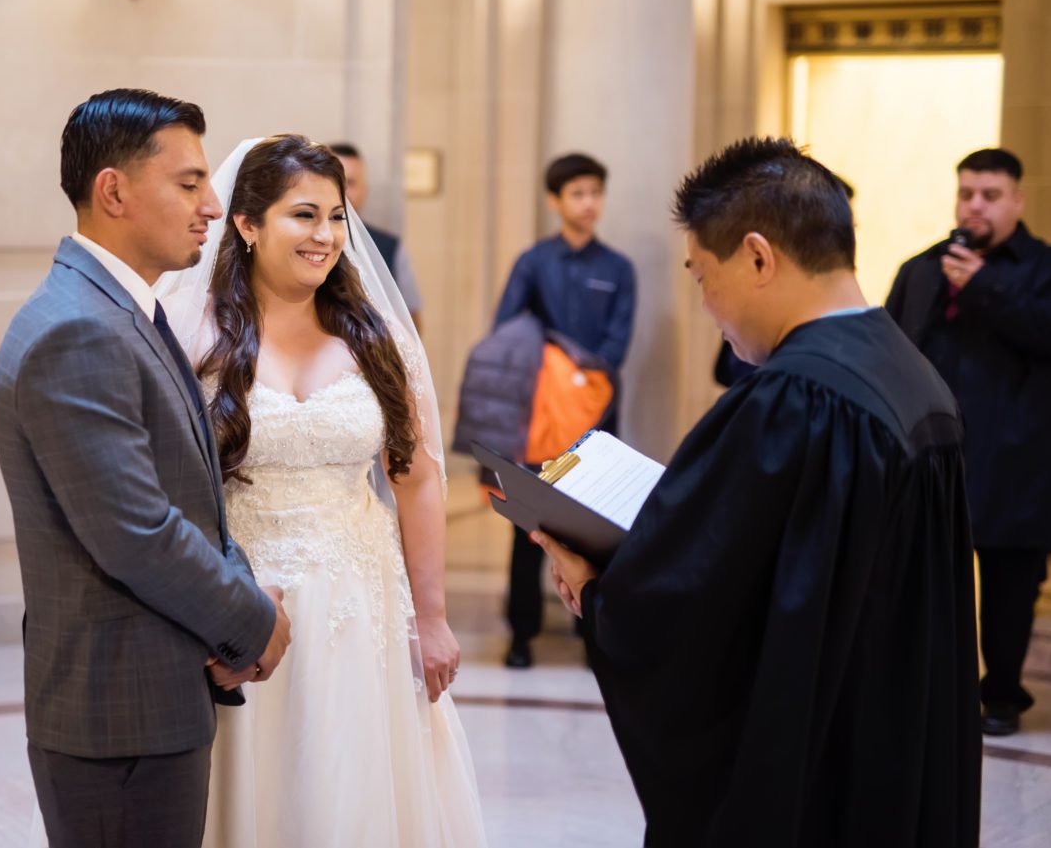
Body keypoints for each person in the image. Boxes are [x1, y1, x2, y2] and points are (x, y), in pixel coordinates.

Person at [531, 137, 981, 847]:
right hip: (893, 742)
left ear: (758, 256)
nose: (707, 305)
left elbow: (698, 610)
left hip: (815, 772)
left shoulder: (796, 398)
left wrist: (597, 590)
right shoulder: (914, 374)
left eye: (704, 277)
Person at [157, 135, 485, 847]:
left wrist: (431, 616)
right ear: (246, 224)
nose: (326, 236)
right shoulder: (192, 334)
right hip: (243, 598)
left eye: (336, 217)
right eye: (303, 215)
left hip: (363, 600)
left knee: (353, 790)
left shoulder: (378, 337)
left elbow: (419, 476)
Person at [0, 89, 292, 848]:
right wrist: (251, 621)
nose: (214, 204)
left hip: (150, 692)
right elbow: (137, 531)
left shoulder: (124, 308)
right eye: (189, 183)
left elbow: (189, 492)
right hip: (117, 716)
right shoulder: (77, 330)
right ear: (114, 190)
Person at [886, 147, 1051, 737]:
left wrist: (984, 289)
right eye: (966, 193)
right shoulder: (924, 267)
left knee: (1009, 591)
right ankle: (924, 689)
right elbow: (893, 347)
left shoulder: (1045, 269)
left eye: (989, 195)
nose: (975, 206)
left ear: (1017, 200)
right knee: (923, 582)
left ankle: (1002, 696)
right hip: (930, 461)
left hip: (1018, 464)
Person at [493, 152, 635, 667]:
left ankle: (593, 631)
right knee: (529, 530)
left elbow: (616, 348)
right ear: (555, 201)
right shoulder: (533, 263)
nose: (589, 203)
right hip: (540, 422)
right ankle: (521, 635)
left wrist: (578, 378)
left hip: (596, 425)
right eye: (577, 194)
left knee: (594, 532)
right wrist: (553, 375)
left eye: (595, 192)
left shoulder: (619, 269)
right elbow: (507, 332)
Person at [328, 143, 424, 328]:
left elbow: (412, 321)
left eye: (351, 183)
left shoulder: (390, 247)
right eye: (334, 181)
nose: (343, 192)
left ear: (365, 190)